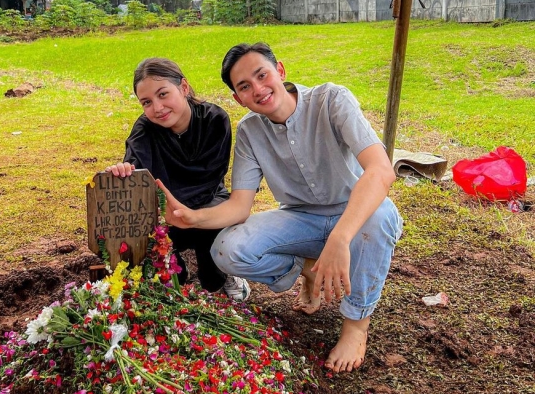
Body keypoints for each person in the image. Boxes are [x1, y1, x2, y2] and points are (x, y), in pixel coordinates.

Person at [158, 42, 403, 373]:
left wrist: (341, 238)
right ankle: (310, 270)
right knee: (227, 250)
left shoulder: (331, 99)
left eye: (262, 75)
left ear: (280, 71)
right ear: (238, 99)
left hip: (357, 213)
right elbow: (239, 207)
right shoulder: (249, 131)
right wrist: (192, 218)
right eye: (245, 86)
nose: (258, 89)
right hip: (300, 217)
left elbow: (380, 171)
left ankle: (355, 326)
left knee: (381, 218)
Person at [104, 57, 251, 301]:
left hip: (207, 200)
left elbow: (211, 177)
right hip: (166, 209)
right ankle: (175, 274)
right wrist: (123, 172)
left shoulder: (214, 120)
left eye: (163, 94)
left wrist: (185, 213)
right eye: (147, 102)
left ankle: (222, 275)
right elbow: (136, 170)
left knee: (213, 240)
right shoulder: (145, 129)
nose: (157, 107)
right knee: (143, 236)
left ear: (183, 87)